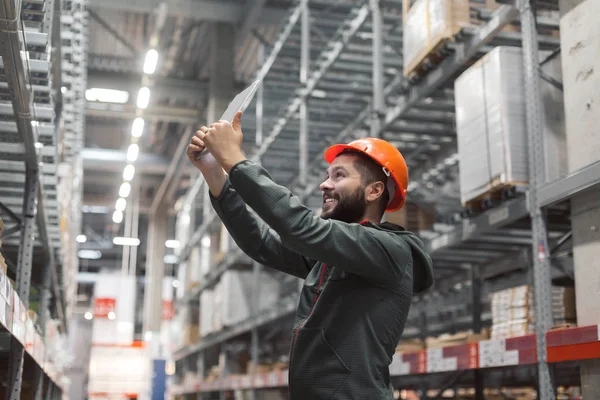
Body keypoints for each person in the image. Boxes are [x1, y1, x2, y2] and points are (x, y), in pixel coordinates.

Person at [186, 112, 434, 400]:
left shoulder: (389, 250)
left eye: (339, 176)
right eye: (327, 176)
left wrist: (235, 161)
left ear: (374, 190)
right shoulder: (333, 258)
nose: (324, 185)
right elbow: (262, 243)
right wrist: (214, 172)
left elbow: (299, 227)